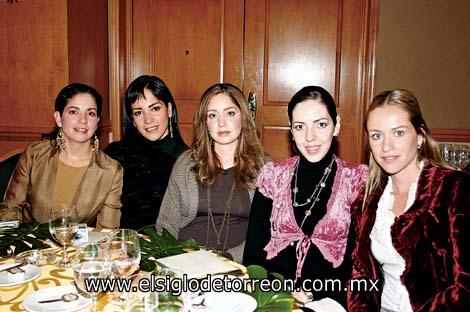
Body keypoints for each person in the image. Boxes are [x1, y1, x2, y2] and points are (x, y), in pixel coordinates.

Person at [243, 86, 367, 309]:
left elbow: (357, 266)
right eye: (300, 127)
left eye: (321, 124)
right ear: (291, 131)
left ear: (336, 125)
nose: (310, 137)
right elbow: (253, 255)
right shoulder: (273, 176)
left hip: (328, 301)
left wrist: (309, 296)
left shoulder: (356, 181)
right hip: (271, 299)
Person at [348, 89, 469, 311]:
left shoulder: (454, 189)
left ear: (420, 135)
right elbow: (361, 277)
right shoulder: (368, 200)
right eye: (377, 135)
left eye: (398, 133)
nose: (386, 147)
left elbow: (466, 287)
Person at [156, 83, 266, 262]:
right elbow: (166, 225)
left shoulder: (265, 168)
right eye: (212, 115)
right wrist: (173, 259)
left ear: (243, 117)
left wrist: (227, 260)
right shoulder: (185, 164)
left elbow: (266, 233)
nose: (221, 123)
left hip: (238, 265)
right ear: (205, 122)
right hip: (185, 262)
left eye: (230, 113)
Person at [0, 83, 123, 229]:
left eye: (91, 113)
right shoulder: (35, 154)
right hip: (30, 246)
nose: (83, 120)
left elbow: (106, 232)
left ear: (97, 122)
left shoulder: (111, 170)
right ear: (58, 118)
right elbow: (10, 208)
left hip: (77, 250)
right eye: (73, 112)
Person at [105, 75, 188, 229]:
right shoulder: (115, 155)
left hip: (170, 247)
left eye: (155, 108)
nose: (148, 120)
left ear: (169, 110)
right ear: (132, 119)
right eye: (138, 112)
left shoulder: (189, 161)